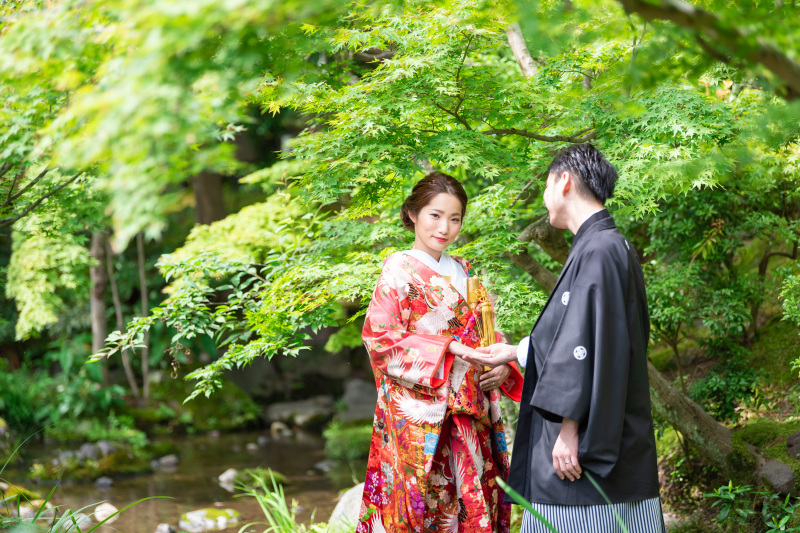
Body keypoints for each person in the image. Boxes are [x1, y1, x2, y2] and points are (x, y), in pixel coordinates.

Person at [461, 144, 666, 532]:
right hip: (607, 422)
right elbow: (583, 334)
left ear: (565, 181)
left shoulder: (600, 249)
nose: (543, 197)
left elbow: (582, 347)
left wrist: (569, 431)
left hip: (583, 437)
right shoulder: (607, 244)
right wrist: (517, 351)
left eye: (545, 185)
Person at [358, 171, 524, 533]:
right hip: (422, 416)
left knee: (473, 503)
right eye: (434, 215)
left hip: (471, 408)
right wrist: (451, 347)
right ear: (413, 214)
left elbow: (486, 335)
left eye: (454, 218)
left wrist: (502, 366)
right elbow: (380, 340)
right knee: (424, 506)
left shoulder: (465, 270)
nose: (444, 227)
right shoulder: (397, 270)